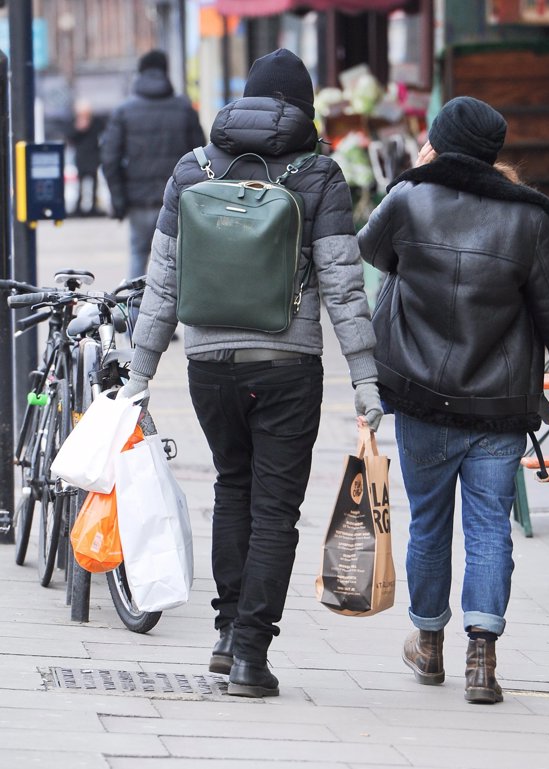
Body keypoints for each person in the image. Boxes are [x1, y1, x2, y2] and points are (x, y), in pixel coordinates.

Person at [117, 48, 383, 698]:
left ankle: (224, 631)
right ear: (304, 106)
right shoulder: (318, 174)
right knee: (274, 509)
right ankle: (249, 655)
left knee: (231, 487)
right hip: (287, 362)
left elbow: (162, 280)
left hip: (208, 364)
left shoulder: (193, 167)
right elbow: (345, 288)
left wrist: (139, 369)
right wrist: (365, 378)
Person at [357, 96, 549, 704]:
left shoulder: (408, 199)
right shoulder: (529, 219)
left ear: (439, 142)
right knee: (491, 526)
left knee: (430, 523)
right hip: (497, 404)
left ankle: (428, 644)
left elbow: (370, 250)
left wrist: (418, 173)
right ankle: (482, 660)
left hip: (419, 397)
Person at [100, 49, 205, 278]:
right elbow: (201, 155)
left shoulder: (124, 111)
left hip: (138, 202)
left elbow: (109, 159)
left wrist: (119, 201)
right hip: (178, 201)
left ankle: (134, 311)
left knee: (138, 258)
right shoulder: (184, 108)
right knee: (178, 262)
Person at [67, 99, 105, 216]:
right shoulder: (74, 122)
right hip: (81, 157)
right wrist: (78, 129)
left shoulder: (96, 122)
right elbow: (70, 137)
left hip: (93, 156)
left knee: (94, 182)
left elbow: (102, 134)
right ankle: (78, 206)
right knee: (80, 183)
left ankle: (94, 206)